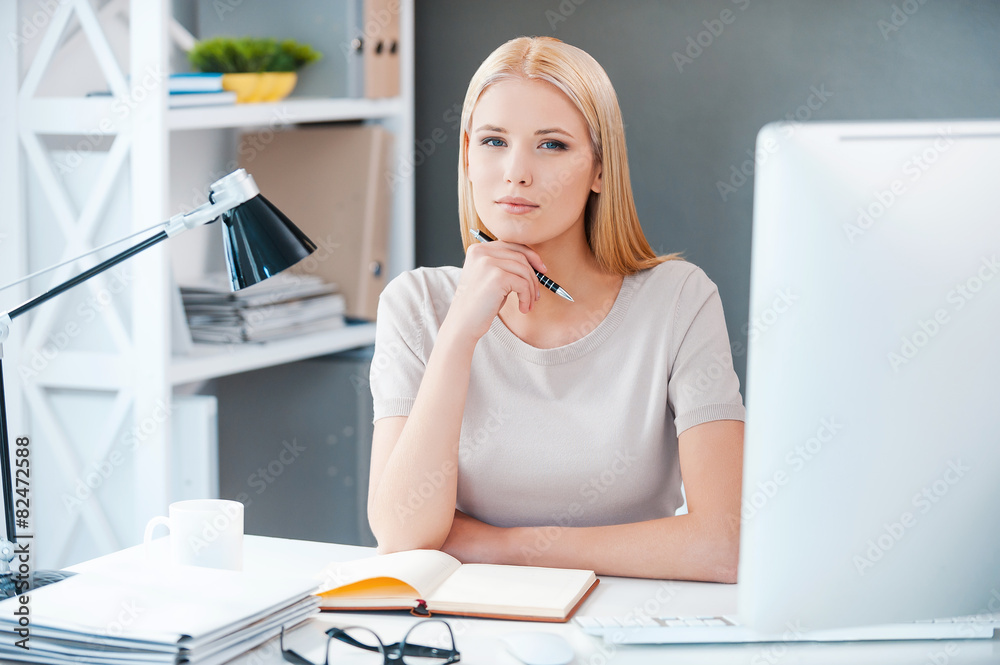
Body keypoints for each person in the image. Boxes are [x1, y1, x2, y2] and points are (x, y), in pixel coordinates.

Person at [367, 36, 745, 583]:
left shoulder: (679, 300)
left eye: (552, 146)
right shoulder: (416, 304)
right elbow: (401, 539)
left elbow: (723, 545)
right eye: (494, 141)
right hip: (466, 628)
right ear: (468, 156)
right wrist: (457, 337)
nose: (516, 172)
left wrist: (502, 547)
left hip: (629, 622)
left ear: (599, 169)